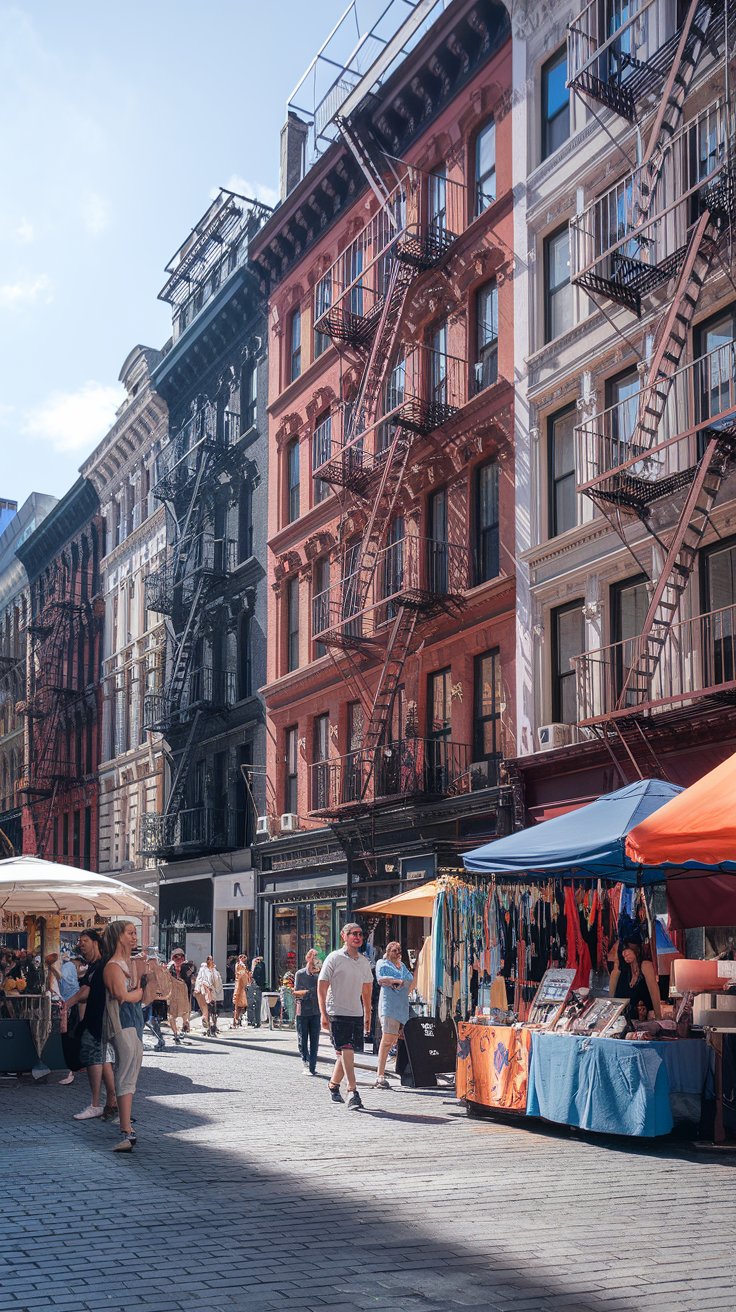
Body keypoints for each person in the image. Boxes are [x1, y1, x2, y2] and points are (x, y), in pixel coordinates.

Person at [318, 923, 373, 1111]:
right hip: (337, 1011)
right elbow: (322, 986)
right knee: (346, 1049)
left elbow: (367, 991)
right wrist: (323, 1014)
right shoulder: (334, 958)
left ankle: (333, 1085)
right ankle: (352, 1091)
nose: (357, 937)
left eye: (360, 934)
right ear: (344, 936)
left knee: (346, 1054)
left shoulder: (364, 962)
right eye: (353, 934)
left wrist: (367, 1015)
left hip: (356, 1012)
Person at [103, 921, 147, 1152]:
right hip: (122, 1023)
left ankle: (126, 1127)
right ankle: (125, 1130)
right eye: (129, 933)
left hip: (134, 1022)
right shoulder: (113, 966)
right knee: (126, 1073)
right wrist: (138, 992)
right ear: (119, 937)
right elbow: (122, 996)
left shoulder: (128, 963)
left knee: (131, 1072)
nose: (134, 936)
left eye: (134, 932)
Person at [67, 929, 117, 1123]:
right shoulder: (95, 965)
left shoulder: (104, 964)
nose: (81, 944)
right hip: (96, 1018)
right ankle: (113, 1102)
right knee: (103, 1061)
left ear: (96, 942)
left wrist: (67, 1004)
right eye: (80, 941)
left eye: (84, 940)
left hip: (100, 1019)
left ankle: (96, 1104)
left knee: (94, 1059)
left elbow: (86, 991)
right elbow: (86, 989)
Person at [374, 941, 415, 1090]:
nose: (398, 953)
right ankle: (380, 1075)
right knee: (387, 1041)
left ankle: (402, 1070)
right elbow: (381, 980)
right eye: (394, 951)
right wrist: (397, 981)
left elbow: (410, 979)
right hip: (390, 1007)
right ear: (388, 951)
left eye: (399, 950)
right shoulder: (382, 963)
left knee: (398, 1040)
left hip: (402, 1007)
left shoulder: (402, 966)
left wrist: (397, 982)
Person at [609, 937, 661, 1022]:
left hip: (644, 1022)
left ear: (636, 949)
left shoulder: (645, 966)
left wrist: (659, 1018)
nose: (624, 953)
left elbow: (654, 994)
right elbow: (612, 999)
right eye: (622, 950)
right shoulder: (621, 972)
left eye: (627, 949)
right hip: (624, 1022)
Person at [293, 949, 321, 1075]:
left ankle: (313, 1066)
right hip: (303, 1010)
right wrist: (307, 993)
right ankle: (305, 1062)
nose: (315, 960)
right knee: (303, 1038)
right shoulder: (300, 974)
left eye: (317, 958)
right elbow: (296, 991)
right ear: (308, 958)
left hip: (316, 1010)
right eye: (313, 957)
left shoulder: (319, 976)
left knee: (315, 1039)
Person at [167, 948, 194, 1043]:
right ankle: (176, 1034)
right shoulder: (170, 968)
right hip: (173, 995)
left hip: (185, 995)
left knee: (185, 1014)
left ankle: (184, 1029)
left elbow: (192, 972)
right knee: (171, 1015)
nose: (179, 959)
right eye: (176, 957)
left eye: (181, 957)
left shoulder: (187, 967)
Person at [194, 955, 223, 1036]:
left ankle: (213, 1026)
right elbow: (199, 980)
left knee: (214, 1010)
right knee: (207, 1010)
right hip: (204, 992)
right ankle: (209, 1028)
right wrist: (198, 989)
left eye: (211, 959)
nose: (210, 961)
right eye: (208, 959)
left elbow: (218, 982)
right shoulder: (203, 970)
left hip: (213, 993)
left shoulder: (214, 970)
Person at [232, 954, 252, 1029]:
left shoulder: (244, 966)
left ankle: (237, 1020)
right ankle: (235, 1020)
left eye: (245, 957)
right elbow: (240, 975)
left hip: (243, 987)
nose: (244, 958)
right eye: (242, 957)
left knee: (241, 1005)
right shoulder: (239, 965)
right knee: (237, 1005)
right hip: (240, 987)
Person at [249, 955, 266, 1028]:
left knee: (255, 1004)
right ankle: (255, 1021)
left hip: (257, 986)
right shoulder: (261, 965)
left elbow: (255, 976)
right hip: (258, 986)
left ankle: (255, 1021)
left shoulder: (259, 966)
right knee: (256, 1004)